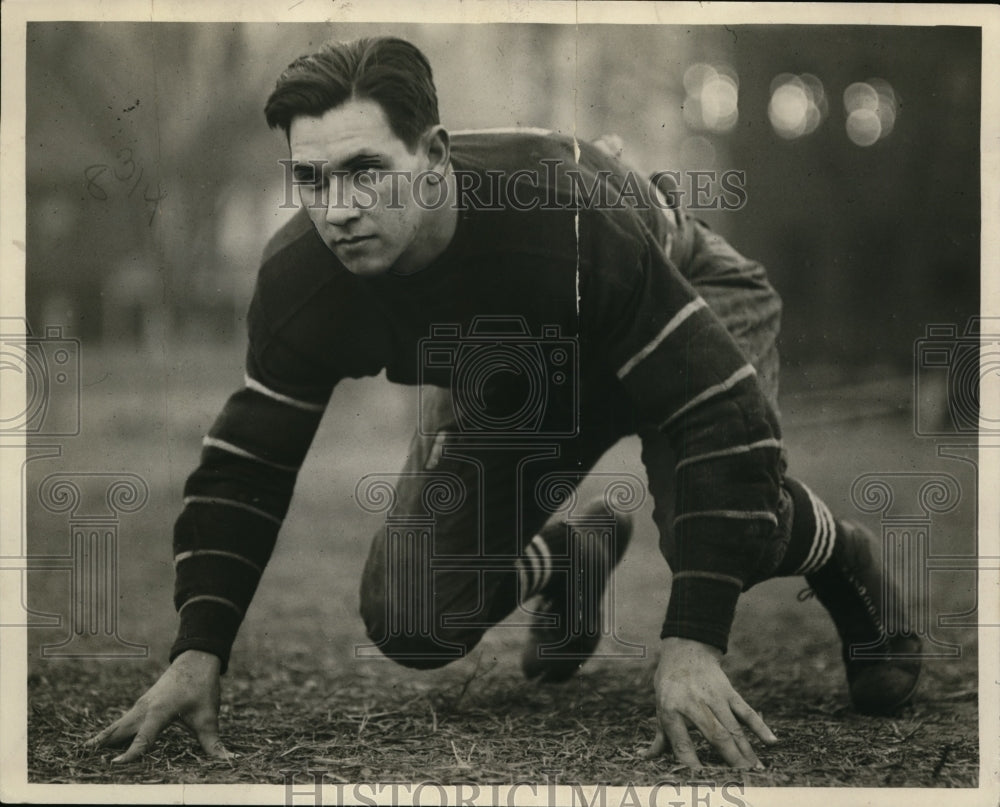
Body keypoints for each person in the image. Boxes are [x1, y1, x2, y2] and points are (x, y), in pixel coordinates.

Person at [86, 36, 921, 770]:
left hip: (679, 296)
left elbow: (715, 414)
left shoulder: (560, 214)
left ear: (437, 154)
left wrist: (692, 640)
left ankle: (836, 547)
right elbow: (249, 459)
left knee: (733, 506)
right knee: (414, 613)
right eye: (310, 178)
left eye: (367, 172)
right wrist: (199, 650)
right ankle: (573, 555)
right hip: (519, 366)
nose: (337, 210)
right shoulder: (304, 276)